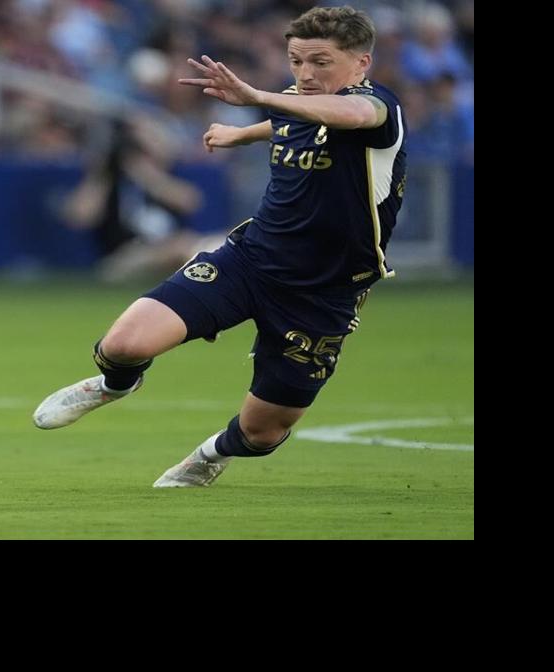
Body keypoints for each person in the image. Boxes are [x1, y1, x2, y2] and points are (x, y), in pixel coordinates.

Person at [31, 6, 406, 487]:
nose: (306, 75)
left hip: (323, 293)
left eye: (320, 62)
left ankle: (209, 455)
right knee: (124, 344)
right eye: (296, 61)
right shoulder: (297, 100)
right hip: (250, 260)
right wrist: (244, 132)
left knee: (263, 432)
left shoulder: (379, 107)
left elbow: (348, 114)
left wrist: (254, 97)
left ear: (361, 64)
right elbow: (293, 118)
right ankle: (111, 385)